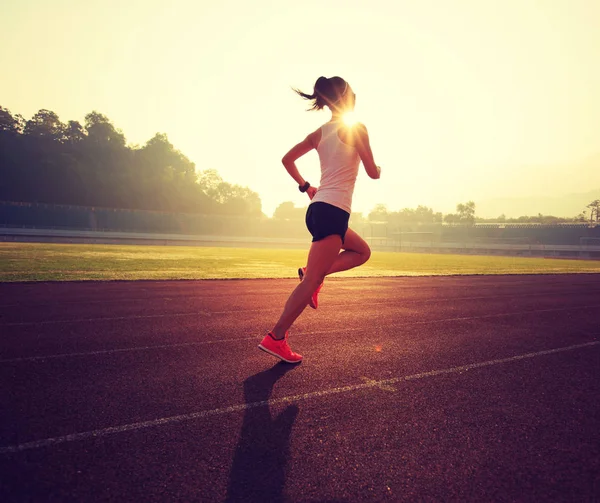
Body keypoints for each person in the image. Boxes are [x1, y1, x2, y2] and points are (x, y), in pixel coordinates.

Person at [258, 76, 381, 363]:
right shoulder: (357, 128)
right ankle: (276, 337)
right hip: (334, 210)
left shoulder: (319, 133)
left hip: (318, 209)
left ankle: (312, 272)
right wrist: (380, 169)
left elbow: (287, 159)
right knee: (312, 280)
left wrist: (306, 187)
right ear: (346, 96)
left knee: (362, 252)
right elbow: (373, 172)